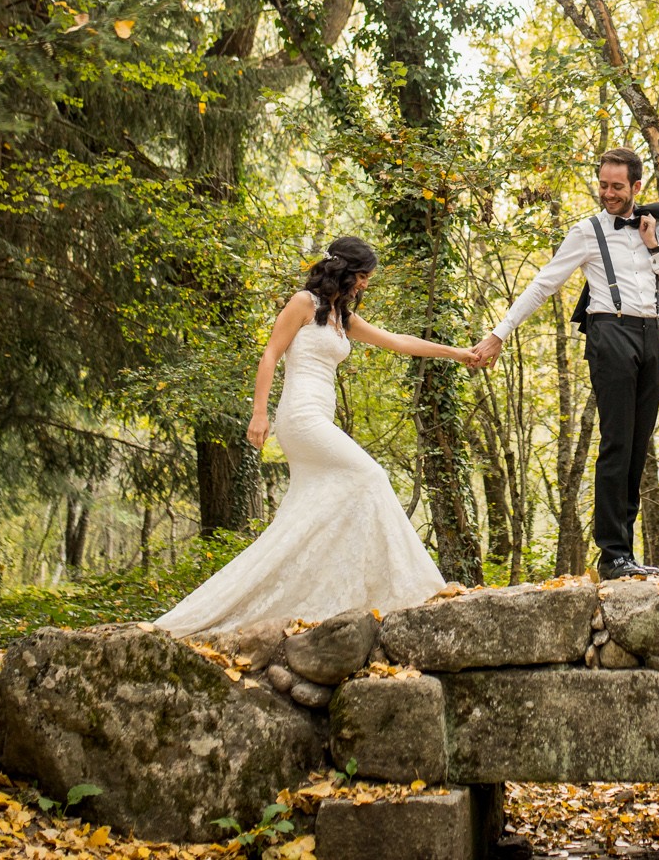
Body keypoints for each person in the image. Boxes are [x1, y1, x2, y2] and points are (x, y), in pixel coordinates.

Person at [156, 236, 473, 637]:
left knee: (310, 513)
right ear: (343, 270)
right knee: (371, 476)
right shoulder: (303, 303)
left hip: (320, 416)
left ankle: (317, 596)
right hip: (301, 417)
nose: (365, 284)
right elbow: (270, 353)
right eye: (363, 276)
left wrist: (458, 353)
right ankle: (416, 587)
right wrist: (259, 413)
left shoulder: (342, 318)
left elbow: (399, 342)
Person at [469, 147, 659, 581]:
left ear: (636, 186)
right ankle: (612, 555)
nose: (608, 193)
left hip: (652, 335)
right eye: (603, 185)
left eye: (617, 186)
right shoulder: (586, 232)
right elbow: (544, 284)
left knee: (637, 445)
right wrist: (499, 333)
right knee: (617, 443)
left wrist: (654, 246)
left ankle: (625, 553)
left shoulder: (658, 227)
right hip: (610, 332)